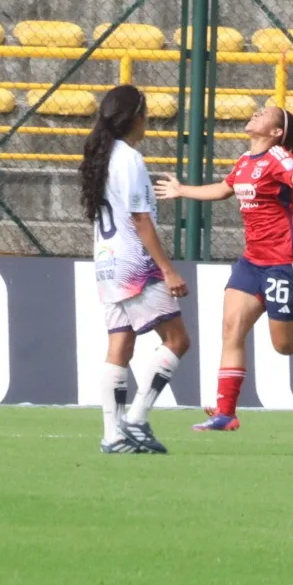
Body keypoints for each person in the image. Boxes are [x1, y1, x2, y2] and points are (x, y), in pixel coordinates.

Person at [156, 105, 293, 431]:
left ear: (276, 132)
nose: (257, 113)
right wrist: (181, 190)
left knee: (285, 345)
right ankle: (226, 413)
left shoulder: (279, 156)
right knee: (231, 330)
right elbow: (222, 189)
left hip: (284, 263)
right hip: (251, 263)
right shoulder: (246, 160)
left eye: (265, 113)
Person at [80, 84, 192, 454]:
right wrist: (168, 270)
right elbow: (140, 218)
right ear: (135, 117)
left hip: (107, 262)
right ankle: (137, 420)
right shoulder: (128, 158)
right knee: (177, 340)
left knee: (120, 344)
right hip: (134, 263)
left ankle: (113, 434)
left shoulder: (100, 155)